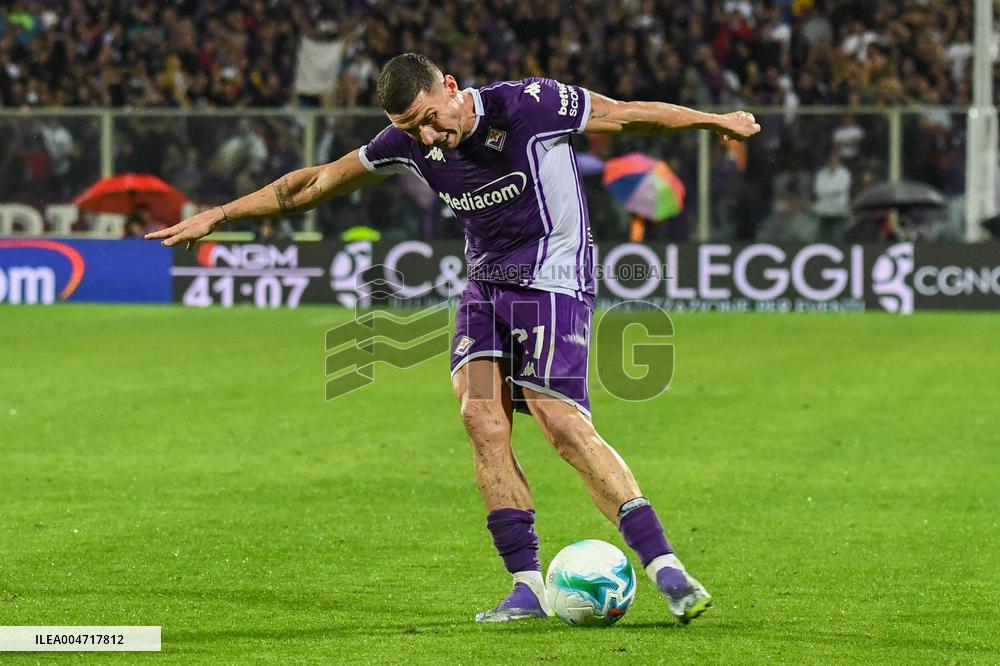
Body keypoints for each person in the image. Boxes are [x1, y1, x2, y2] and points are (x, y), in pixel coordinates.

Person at [146, 53, 760, 624]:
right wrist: (219, 215)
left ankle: (667, 569)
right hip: (486, 285)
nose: (427, 136)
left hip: (553, 280)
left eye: (430, 119)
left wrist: (714, 122)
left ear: (449, 87)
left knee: (561, 425)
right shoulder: (409, 143)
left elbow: (625, 116)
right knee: (479, 418)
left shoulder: (529, 105)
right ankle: (527, 587)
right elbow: (312, 186)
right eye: (410, 129)